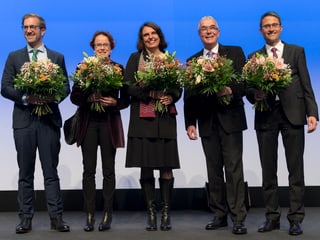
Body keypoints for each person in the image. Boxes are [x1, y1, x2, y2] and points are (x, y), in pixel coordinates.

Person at [246, 11, 318, 236]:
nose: (270, 29)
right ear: (261, 30)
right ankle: (272, 217)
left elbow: (306, 84)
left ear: (281, 28)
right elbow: (248, 89)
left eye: (274, 25)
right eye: (266, 26)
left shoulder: (296, 51)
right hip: (266, 115)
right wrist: (253, 94)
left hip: (293, 115)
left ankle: (296, 218)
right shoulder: (254, 56)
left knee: (295, 170)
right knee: (269, 170)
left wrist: (312, 113)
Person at [1, 13, 70, 233]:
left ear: (43, 30)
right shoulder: (14, 57)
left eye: (33, 27)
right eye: (25, 27)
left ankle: (56, 218)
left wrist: (53, 98)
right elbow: (5, 87)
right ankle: (25, 219)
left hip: (48, 120)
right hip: (24, 122)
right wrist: (25, 98)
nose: (29, 31)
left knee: (51, 171)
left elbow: (65, 88)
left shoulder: (56, 57)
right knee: (25, 172)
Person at [184, 16, 248, 235]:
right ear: (199, 34)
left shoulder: (235, 52)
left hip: (231, 119)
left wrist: (230, 90)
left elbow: (244, 83)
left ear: (218, 32)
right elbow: (189, 95)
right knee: (213, 170)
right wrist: (190, 122)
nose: (208, 32)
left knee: (233, 169)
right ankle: (219, 215)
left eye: (212, 28)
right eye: (203, 29)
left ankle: (238, 217)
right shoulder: (193, 60)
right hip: (207, 121)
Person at [124, 22, 181, 231]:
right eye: (146, 35)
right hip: (142, 120)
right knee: (146, 166)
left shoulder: (170, 59)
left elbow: (178, 88)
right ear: (142, 39)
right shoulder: (134, 59)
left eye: (153, 33)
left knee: (166, 167)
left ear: (159, 35)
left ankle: (166, 213)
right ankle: (151, 213)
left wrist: (171, 96)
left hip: (165, 120)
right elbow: (128, 85)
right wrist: (149, 94)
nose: (150, 37)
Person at [70, 31, 129, 232]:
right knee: (89, 170)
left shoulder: (118, 69)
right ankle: (89, 213)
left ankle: (107, 213)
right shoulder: (83, 67)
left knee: (108, 170)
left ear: (111, 47)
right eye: (98, 45)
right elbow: (74, 97)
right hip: (89, 123)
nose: (101, 48)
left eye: (105, 44)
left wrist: (115, 102)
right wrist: (88, 99)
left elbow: (126, 100)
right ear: (93, 48)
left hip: (108, 123)